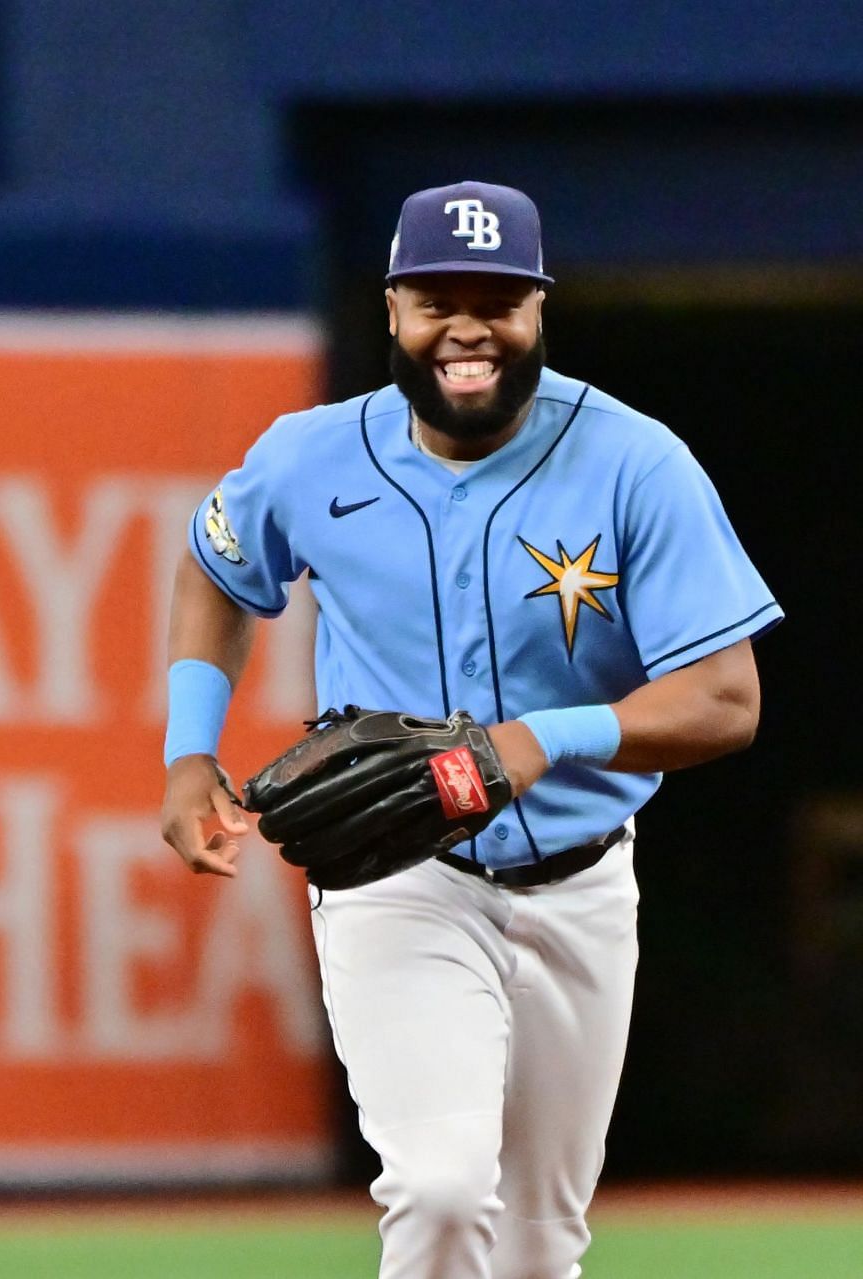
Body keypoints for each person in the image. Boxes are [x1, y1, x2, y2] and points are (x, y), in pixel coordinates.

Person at [159, 182, 779, 1278]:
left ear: (540, 311)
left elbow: (727, 698)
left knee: (541, 1243)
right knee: (442, 1194)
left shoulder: (637, 462)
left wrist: (545, 737)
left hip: (583, 880)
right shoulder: (311, 455)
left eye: (499, 299)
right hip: (402, 871)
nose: (468, 327)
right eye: (438, 297)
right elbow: (215, 568)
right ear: (393, 308)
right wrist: (188, 749)